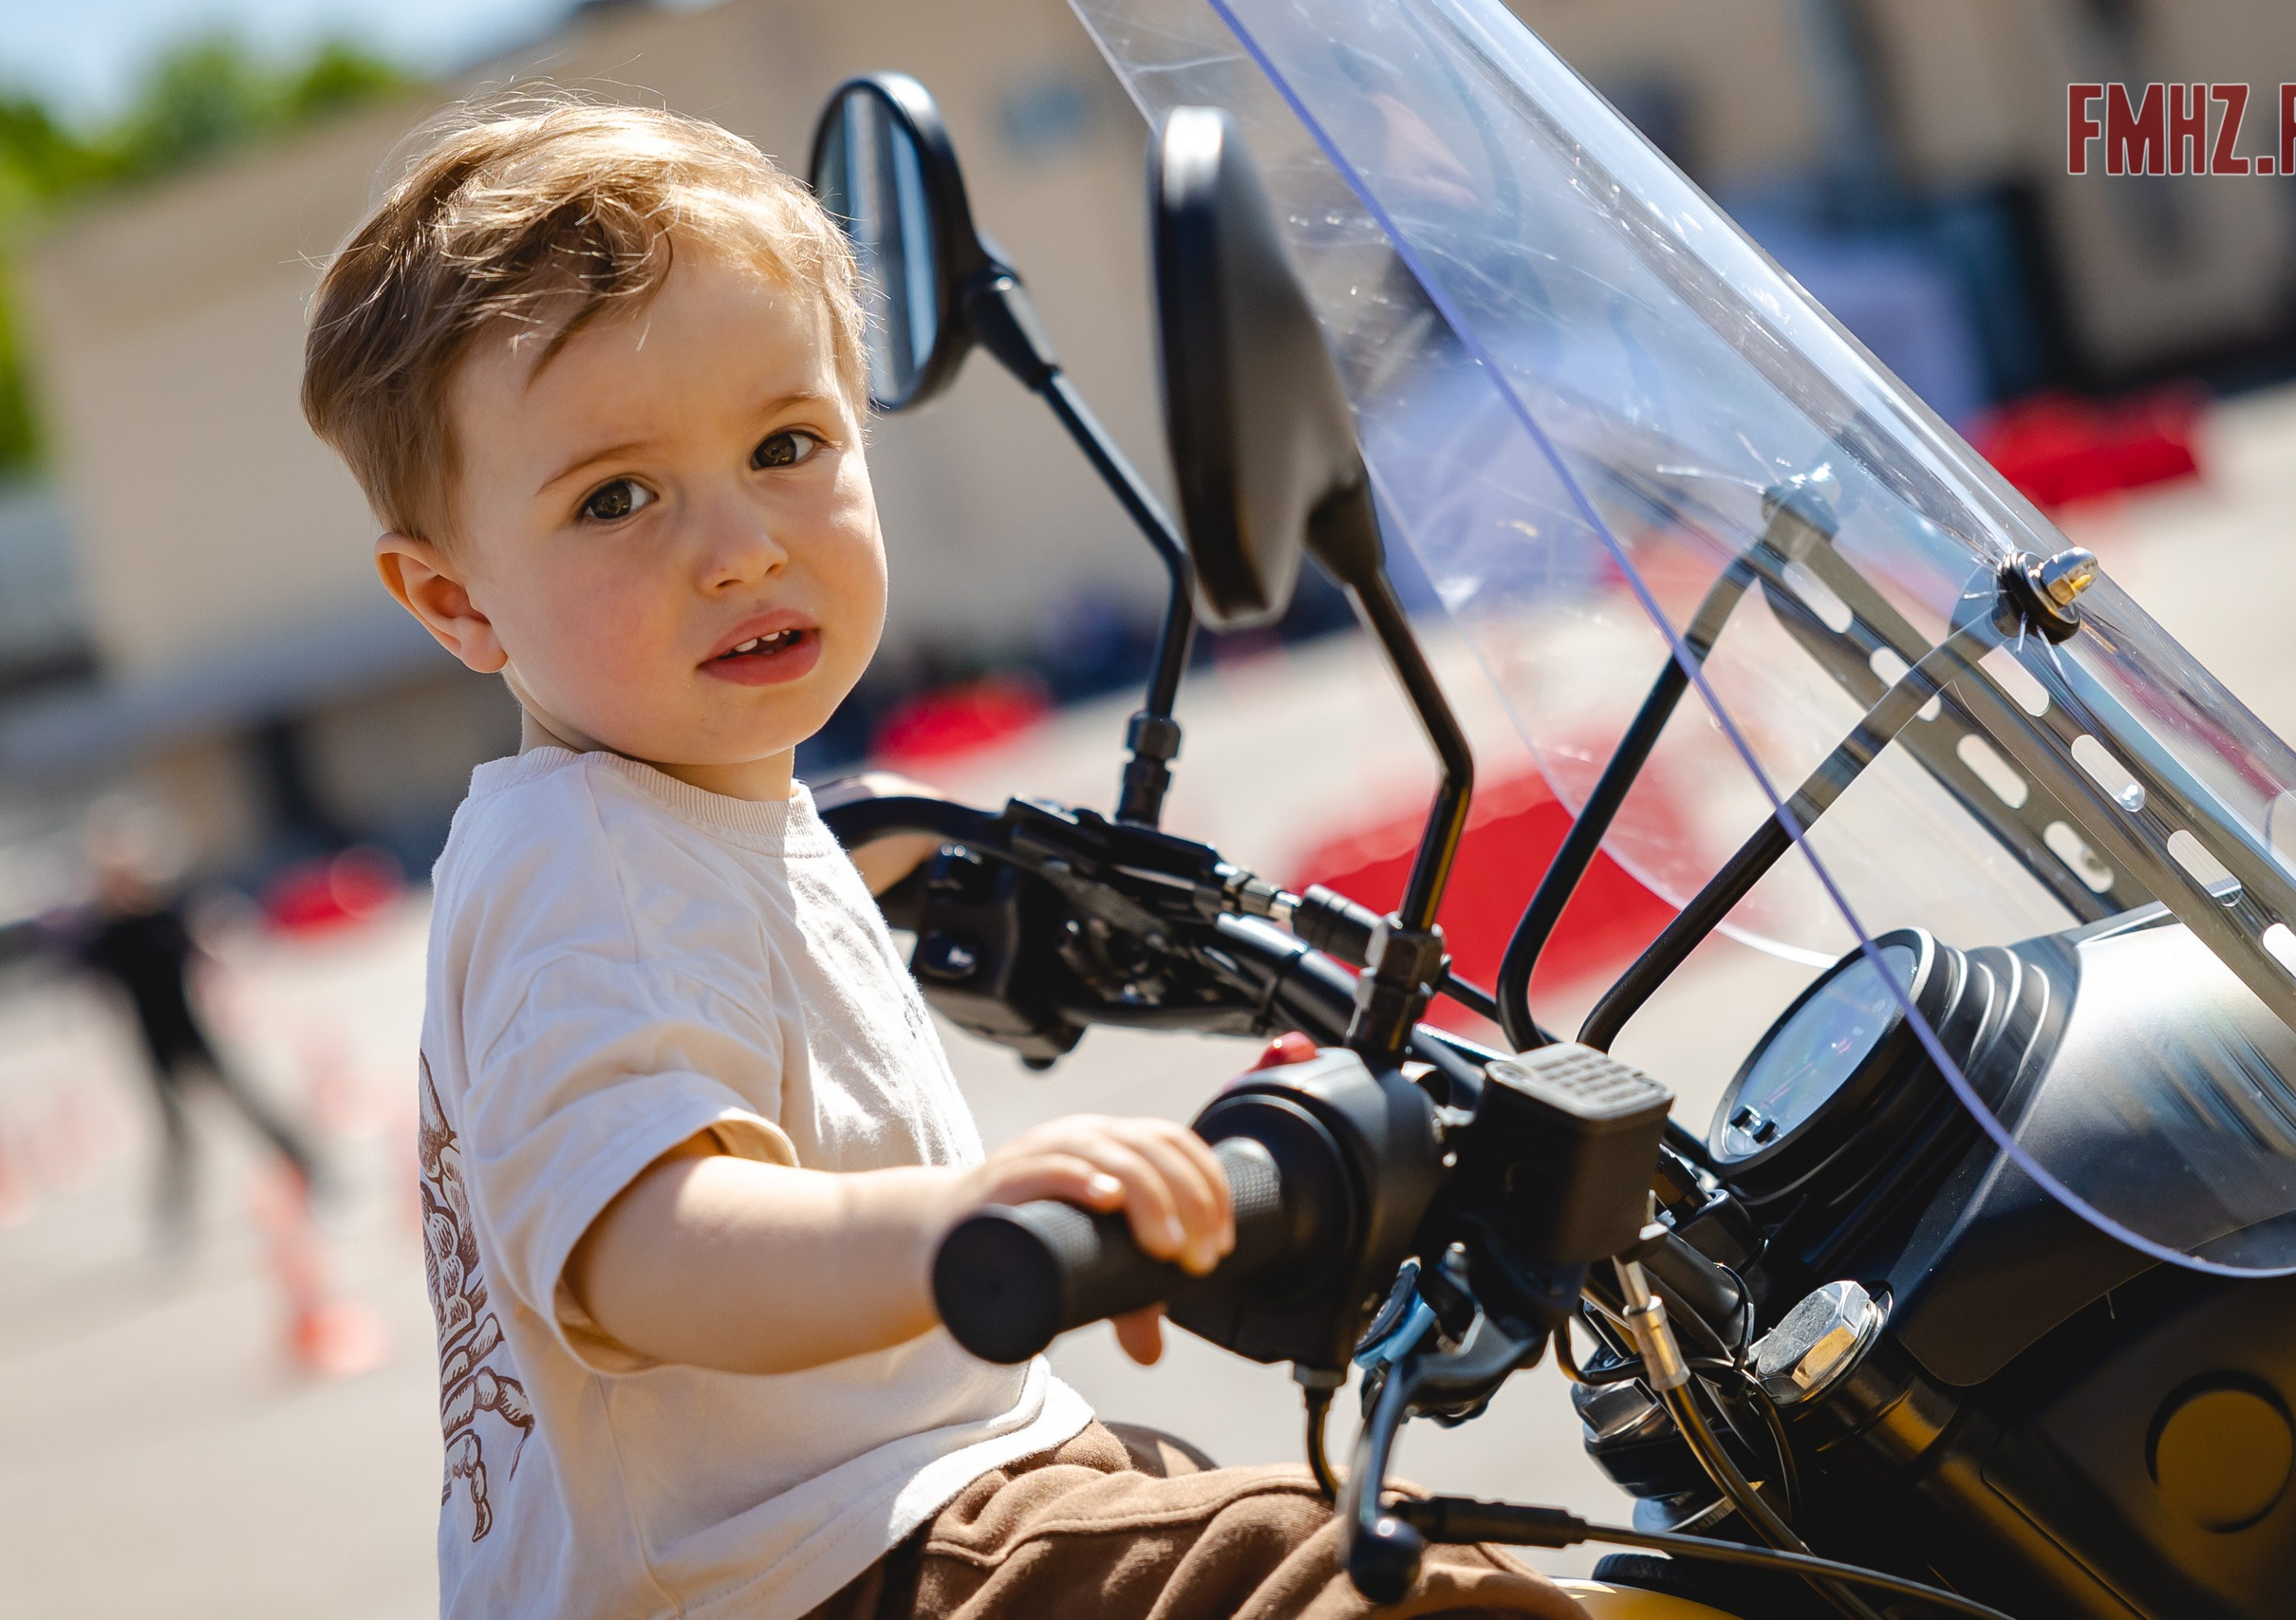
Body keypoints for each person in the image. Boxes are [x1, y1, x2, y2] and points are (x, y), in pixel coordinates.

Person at [300, 98, 1585, 1620]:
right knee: (1386, 1587)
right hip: (804, 1566)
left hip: (896, 1497)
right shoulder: (587, 865)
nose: (742, 545)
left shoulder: (691, 811)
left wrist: (932, 859)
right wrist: (958, 1222)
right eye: (617, 497)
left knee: (1259, 1510)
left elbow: (760, 924)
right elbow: (650, 1242)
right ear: (454, 602)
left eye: (786, 445)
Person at [75, 812, 317, 1242]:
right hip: (154, 1043)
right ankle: (172, 1225)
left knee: (251, 1108)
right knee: (177, 1136)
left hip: (193, 1032)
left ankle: (315, 1173)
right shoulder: (107, 934)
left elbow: (208, 947)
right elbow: (91, 980)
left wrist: (223, 967)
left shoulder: (166, 912)